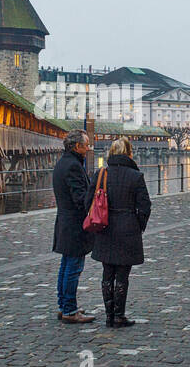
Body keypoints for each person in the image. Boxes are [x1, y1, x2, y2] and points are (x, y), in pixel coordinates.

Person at [90, 138, 151, 327]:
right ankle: (119, 315)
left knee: (107, 273)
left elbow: (88, 201)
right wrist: (138, 225)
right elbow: (145, 206)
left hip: (105, 227)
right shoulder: (135, 176)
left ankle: (109, 315)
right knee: (122, 275)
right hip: (127, 228)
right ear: (129, 153)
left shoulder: (101, 174)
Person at [52, 129, 95, 324]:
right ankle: (70, 309)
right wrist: (94, 195)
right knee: (73, 268)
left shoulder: (62, 163)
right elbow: (80, 198)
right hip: (74, 224)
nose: (88, 148)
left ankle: (64, 306)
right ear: (77, 146)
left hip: (64, 221)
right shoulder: (73, 166)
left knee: (66, 265)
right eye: (86, 145)